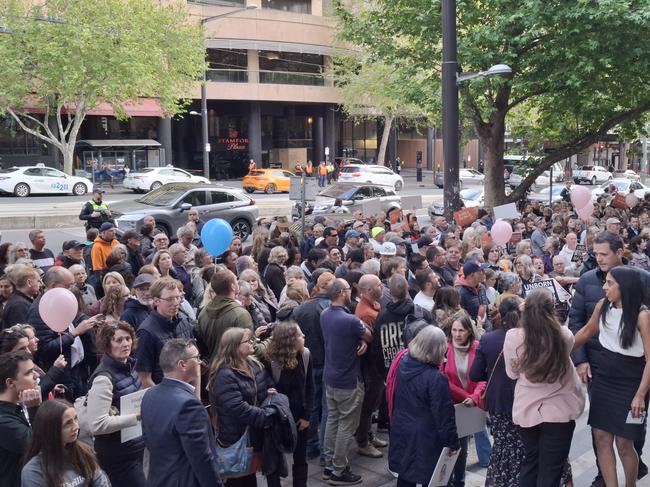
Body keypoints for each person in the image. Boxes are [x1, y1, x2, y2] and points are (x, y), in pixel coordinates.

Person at [569, 231, 650, 483]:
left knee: (627, 443)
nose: (604, 286)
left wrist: (640, 394)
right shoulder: (601, 306)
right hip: (603, 380)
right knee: (601, 438)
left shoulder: (642, 315)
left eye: (610, 284)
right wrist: (557, 351)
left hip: (632, 384)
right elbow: (582, 332)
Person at [504, 288, 586, 487]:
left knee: (531, 463)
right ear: (552, 309)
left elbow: (512, 374)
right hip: (560, 410)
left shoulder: (513, 337)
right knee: (551, 470)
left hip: (527, 411)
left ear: (525, 308)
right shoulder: (564, 335)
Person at [141, 338, 223, 487]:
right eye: (196, 358)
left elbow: (149, 441)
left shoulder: (148, 395)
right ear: (182, 365)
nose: (200, 362)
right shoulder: (189, 405)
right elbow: (202, 458)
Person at [388, 326, 460, 487]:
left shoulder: (403, 362)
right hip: (426, 438)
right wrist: (452, 443)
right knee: (434, 479)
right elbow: (444, 417)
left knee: (406, 475)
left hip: (402, 428)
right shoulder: (435, 378)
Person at [321, 278, 372, 485]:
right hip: (348, 381)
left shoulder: (325, 314)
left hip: (330, 377)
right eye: (349, 290)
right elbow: (368, 335)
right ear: (343, 292)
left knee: (333, 421)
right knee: (346, 426)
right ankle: (339, 471)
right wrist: (361, 339)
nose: (351, 292)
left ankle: (329, 465)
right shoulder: (350, 320)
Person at [209, 327, 275, 487]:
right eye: (247, 341)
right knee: (238, 478)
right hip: (236, 436)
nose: (252, 342)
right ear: (234, 347)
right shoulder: (224, 374)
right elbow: (237, 407)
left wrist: (268, 393)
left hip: (253, 433)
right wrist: (265, 416)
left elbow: (268, 385)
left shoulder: (253, 363)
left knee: (249, 476)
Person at [470, 296, 524, 487]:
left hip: (499, 403)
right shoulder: (529, 337)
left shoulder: (488, 339)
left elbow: (475, 374)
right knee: (525, 449)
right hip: (525, 402)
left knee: (501, 450)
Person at [85, 322, 145, 486]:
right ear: (107, 345)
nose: (125, 344)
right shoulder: (103, 379)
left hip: (134, 448)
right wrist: (136, 417)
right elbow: (97, 424)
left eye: (128, 338)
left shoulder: (130, 366)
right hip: (117, 455)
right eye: (118, 340)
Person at [443, 312, 490, 484]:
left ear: (469, 331)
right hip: (451, 405)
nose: (457, 334)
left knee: (462, 449)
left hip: (470, 407)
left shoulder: (477, 347)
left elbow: (483, 377)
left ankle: (460, 482)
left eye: (461, 330)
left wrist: (475, 396)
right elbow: (443, 379)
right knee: (448, 450)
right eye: (454, 330)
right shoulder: (446, 348)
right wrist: (467, 396)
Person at [265, 321, 314, 487]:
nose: (304, 337)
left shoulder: (305, 355)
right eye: (300, 335)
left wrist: (307, 416)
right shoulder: (270, 361)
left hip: (300, 417)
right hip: (278, 418)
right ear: (289, 340)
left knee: (300, 458)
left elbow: (310, 388)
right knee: (275, 459)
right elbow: (267, 385)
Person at [22, 399, 110, 487]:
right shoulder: (34, 472)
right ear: (51, 430)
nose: (76, 427)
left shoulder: (83, 451)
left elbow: (100, 481)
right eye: (68, 423)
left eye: (76, 418)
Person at [135, 277, 194, 388]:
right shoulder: (146, 332)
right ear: (156, 301)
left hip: (187, 390)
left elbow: (194, 362)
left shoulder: (184, 321)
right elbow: (144, 377)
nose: (176, 303)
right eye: (170, 299)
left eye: (178, 297)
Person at [196, 266, 256, 363]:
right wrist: (268, 343)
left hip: (214, 367)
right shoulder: (240, 314)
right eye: (236, 280)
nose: (238, 282)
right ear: (233, 286)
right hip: (237, 368)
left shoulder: (203, 313)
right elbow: (250, 349)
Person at [0, 350, 41, 487]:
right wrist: (34, 409)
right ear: (11, 383)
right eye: (29, 373)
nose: (36, 376)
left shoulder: (17, 406)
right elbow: (39, 447)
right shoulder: (3, 421)